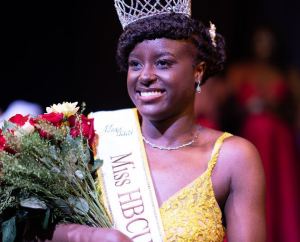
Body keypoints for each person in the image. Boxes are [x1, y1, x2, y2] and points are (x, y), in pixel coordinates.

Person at [47, 1, 266, 241]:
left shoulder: (232, 158)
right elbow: (30, 229)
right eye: (135, 64)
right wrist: (90, 236)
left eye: (163, 63)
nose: (146, 76)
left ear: (198, 71)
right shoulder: (96, 140)